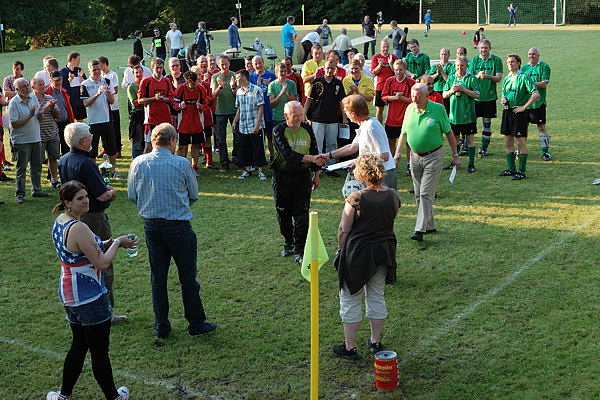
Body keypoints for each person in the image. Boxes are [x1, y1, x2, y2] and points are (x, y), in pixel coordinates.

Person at [46, 180, 136, 400]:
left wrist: (110, 242)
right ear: (67, 202)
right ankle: (114, 397)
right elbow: (102, 263)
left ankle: (63, 395)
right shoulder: (79, 227)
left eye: (86, 196)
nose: (86, 201)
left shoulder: (62, 221)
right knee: (99, 351)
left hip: (69, 293)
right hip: (89, 297)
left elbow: (82, 251)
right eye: (80, 198)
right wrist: (117, 244)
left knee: (79, 344)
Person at [127, 123, 218, 339]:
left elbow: (132, 195)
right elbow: (193, 195)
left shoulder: (138, 162)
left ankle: (162, 326)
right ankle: (195, 323)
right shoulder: (181, 163)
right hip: (178, 226)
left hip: (152, 225)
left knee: (158, 278)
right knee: (187, 277)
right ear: (173, 141)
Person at [331, 154, 400, 360]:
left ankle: (350, 346)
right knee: (376, 295)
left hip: (358, 253)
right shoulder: (393, 196)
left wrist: (341, 249)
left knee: (350, 297)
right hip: (383, 252)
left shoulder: (356, 198)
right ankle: (375, 341)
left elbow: (344, 229)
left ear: (360, 174)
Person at [59, 122, 127, 324]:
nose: (92, 137)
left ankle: (79, 306)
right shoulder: (86, 163)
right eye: (89, 135)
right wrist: (113, 192)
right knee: (102, 264)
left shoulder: (64, 160)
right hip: (93, 218)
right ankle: (106, 311)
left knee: (78, 263)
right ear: (82, 141)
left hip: (73, 216)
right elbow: (103, 195)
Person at [395, 83, 461, 241]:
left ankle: (419, 229)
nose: (414, 99)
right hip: (415, 157)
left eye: (418, 96)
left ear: (426, 96)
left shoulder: (438, 109)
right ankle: (429, 225)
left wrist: (455, 155)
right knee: (418, 194)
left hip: (434, 156)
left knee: (425, 192)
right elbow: (403, 133)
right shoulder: (410, 109)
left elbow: (449, 133)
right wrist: (397, 153)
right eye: (412, 96)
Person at [272, 101, 323, 264]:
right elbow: (288, 155)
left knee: (302, 215)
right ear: (286, 116)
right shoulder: (278, 131)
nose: (299, 119)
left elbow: (314, 150)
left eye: (301, 115)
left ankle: (300, 249)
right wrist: (312, 158)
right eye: (295, 116)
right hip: (282, 177)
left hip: (302, 177)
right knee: (283, 214)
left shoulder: (307, 128)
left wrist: (316, 174)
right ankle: (288, 242)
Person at [319, 95, 397, 189]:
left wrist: (358, 162)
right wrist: (328, 155)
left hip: (383, 175)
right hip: (373, 174)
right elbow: (352, 147)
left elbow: (385, 156)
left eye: (346, 111)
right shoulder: (364, 125)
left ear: (353, 113)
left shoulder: (372, 126)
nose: (345, 113)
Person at [498, 54, 540, 181]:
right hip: (507, 112)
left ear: (519, 63)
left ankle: (521, 171)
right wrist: (503, 100)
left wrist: (524, 107)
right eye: (508, 62)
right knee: (508, 141)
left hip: (519, 113)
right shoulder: (506, 79)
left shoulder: (524, 77)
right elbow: (503, 95)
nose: (510, 64)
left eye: (512, 62)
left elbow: (536, 94)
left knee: (520, 142)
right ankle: (511, 169)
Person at [8, 78, 49, 203]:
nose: (27, 88)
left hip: (36, 138)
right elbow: (15, 124)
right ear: (17, 90)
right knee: (22, 168)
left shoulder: (33, 98)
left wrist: (41, 112)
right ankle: (20, 194)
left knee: (36, 166)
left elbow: (39, 118)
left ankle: (36, 190)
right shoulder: (13, 103)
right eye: (23, 87)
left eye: (27, 85)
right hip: (21, 140)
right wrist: (29, 116)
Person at [304, 60, 347, 173]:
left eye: (332, 68)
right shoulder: (317, 82)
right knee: (317, 143)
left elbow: (341, 102)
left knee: (331, 143)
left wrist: (344, 117)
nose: (329, 70)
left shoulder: (338, 83)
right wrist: (304, 113)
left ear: (335, 69)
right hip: (317, 118)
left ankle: (330, 167)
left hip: (332, 118)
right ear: (324, 68)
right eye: (328, 68)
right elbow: (309, 99)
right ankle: (317, 166)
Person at [80, 59, 119, 177]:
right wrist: (97, 94)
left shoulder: (107, 81)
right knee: (93, 148)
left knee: (111, 146)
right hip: (93, 121)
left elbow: (112, 101)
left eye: (98, 69)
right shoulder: (85, 84)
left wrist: (108, 94)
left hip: (107, 119)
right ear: (89, 70)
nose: (97, 72)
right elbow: (86, 103)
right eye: (94, 70)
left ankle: (113, 171)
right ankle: (94, 172)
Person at [442, 56, 480, 173]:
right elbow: (444, 94)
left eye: (462, 65)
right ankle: (455, 162)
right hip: (454, 115)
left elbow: (477, 94)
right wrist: (451, 91)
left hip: (468, 115)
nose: (459, 68)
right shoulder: (452, 77)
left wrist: (463, 89)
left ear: (467, 66)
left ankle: (471, 164)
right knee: (455, 139)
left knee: (470, 140)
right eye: (458, 65)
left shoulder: (471, 78)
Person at [468, 39, 503, 156]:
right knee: (471, 122)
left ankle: (484, 147)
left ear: (490, 48)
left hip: (489, 97)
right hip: (475, 98)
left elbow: (498, 78)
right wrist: (477, 76)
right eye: (481, 48)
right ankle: (466, 145)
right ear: (478, 48)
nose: (483, 50)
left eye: (486, 48)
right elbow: (469, 76)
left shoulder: (496, 60)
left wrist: (487, 76)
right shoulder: (474, 60)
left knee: (487, 123)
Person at [233, 69, 267, 180]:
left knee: (258, 148)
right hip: (243, 125)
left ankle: (261, 170)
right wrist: (235, 121)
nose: (236, 80)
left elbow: (261, 107)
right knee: (245, 148)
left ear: (244, 77)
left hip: (255, 124)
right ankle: (247, 170)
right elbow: (239, 108)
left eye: (238, 78)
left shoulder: (256, 90)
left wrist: (258, 125)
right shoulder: (239, 92)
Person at [383, 59, 414, 175]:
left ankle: (409, 165)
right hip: (391, 119)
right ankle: (391, 165)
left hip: (406, 119)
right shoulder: (389, 81)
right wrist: (394, 97)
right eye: (396, 70)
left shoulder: (410, 83)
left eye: (401, 70)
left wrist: (401, 98)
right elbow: (384, 97)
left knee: (408, 143)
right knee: (391, 142)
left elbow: (413, 100)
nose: (398, 72)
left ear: (405, 70)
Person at [521, 47, 552, 161]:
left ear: (538, 55)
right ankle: (521, 150)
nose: (531, 56)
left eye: (533, 54)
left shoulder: (544, 67)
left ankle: (545, 152)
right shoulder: (524, 68)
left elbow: (544, 84)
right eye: (529, 54)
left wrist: (529, 83)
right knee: (523, 127)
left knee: (541, 127)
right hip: (525, 103)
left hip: (538, 103)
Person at [138, 57, 173, 154]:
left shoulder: (166, 81)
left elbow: (171, 98)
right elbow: (140, 100)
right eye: (156, 68)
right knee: (149, 146)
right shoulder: (146, 81)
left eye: (161, 68)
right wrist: (154, 98)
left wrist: (163, 99)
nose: (159, 70)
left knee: (168, 144)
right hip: (151, 119)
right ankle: (145, 167)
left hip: (165, 119)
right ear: (152, 68)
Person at [173, 70, 206, 174]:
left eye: (195, 83)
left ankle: (194, 167)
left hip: (197, 123)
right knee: (182, 146)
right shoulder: (180, 89)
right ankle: (180, 168)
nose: (194, 86)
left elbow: (206, 104)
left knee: (196, 145)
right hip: (184, 124)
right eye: (192, 84)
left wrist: (201, 107)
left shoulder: (201, 89)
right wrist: (179, 106)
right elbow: (174, 104)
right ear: (187, 82)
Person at [32, 77, 61, 189]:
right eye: (40, 84)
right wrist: (45, 107)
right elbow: (37, 117)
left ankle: (54, 180)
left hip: (52, 133)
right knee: (37, 161)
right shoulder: (31, 100)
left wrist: (53, 107)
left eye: (43, 83)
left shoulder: (49, 97)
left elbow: (58, 116)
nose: (43, 86)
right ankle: (37, 185)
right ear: (33, 87)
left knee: (53, 158)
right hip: (38, 136)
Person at [211, 55, 238, 171]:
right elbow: (213, 95)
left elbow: (239, 93)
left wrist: (233, 86)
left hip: (234, 110)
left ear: (229, 63)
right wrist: (220, 86)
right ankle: (224, 162)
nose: (224, 66)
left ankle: (237, 159)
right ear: (218, 65)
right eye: (222, 64)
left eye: (226, 64)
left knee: (237, 136)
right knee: (221, 138)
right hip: (220, 111)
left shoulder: (234, 75)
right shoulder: (215, 77)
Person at [250, 56, 277, 160]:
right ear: (253, 65)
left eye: (260, 63)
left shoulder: (271, 75)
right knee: (259, 138)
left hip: (269, 111)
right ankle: (261, 158)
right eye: (256, 64)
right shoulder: (251, 77)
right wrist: (256, 86)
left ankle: (272, 156)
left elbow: (276, 90)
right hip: (257, 113)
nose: (258, 65)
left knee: (271, 136)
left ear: (263, 62)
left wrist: (269, 84)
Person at [46, 70, 76, 156]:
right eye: (56, 81)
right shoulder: (46, 93)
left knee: (66, 149)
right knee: (53, 152)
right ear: (50, 81)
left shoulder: (64, 92)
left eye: (60, 80)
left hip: (65, 124)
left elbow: (68, 108)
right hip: (53, 125)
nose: (58, 82)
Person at [98, 56, 122, 158]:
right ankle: (106, 148)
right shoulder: (100, 76)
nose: (99, 67)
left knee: (115, 128)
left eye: (100, 65)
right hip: (103, 107)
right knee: (104, 129)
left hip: (113, 106)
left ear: (104, 64)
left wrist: (107, 91)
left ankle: (118, 149)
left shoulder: (112, 75)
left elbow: (115, 89)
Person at [371, 39, 398, 123]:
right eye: (384, 47)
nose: (385, 49)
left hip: (392, 87)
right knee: (379, 110)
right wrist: (380, 65)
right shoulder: (376, 57)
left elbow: (398, 73)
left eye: (387, 47)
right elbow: (374, 72)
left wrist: (390, 64)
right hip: (380, 87)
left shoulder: (393, 57)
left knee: (393, 110)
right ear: (380, 47)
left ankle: (391, 127)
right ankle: (379, 127)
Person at [269, 62, 297, 126]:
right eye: (281, 71)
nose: (283, 73)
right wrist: (281, 93)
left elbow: (293, 101)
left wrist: (286, 93)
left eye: (285, 71)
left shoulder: (292, 83)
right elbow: (272, 104)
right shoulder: (272, 85)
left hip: (290, 117)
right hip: (277, 118)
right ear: (276, 72)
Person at [127, 66, 145, 159]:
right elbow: (134, 103)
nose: (139, 74)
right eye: (136, 73)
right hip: (137, 116)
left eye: (140, 72)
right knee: (138, 141)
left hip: (147, 114)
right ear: (133, 74)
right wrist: (147, 100)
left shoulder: (147, 83)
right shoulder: (131, 87)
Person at [428, 48, 454, 112]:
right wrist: (437, 74)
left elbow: (449, 81)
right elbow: (429, 79)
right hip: (435, 91)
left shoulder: (452, 66)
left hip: (446, 91)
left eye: (445, 54)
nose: (443, 56)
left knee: (446, 111)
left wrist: (442, 72)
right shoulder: (435, 66)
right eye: (442, 54)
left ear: (449, 55)